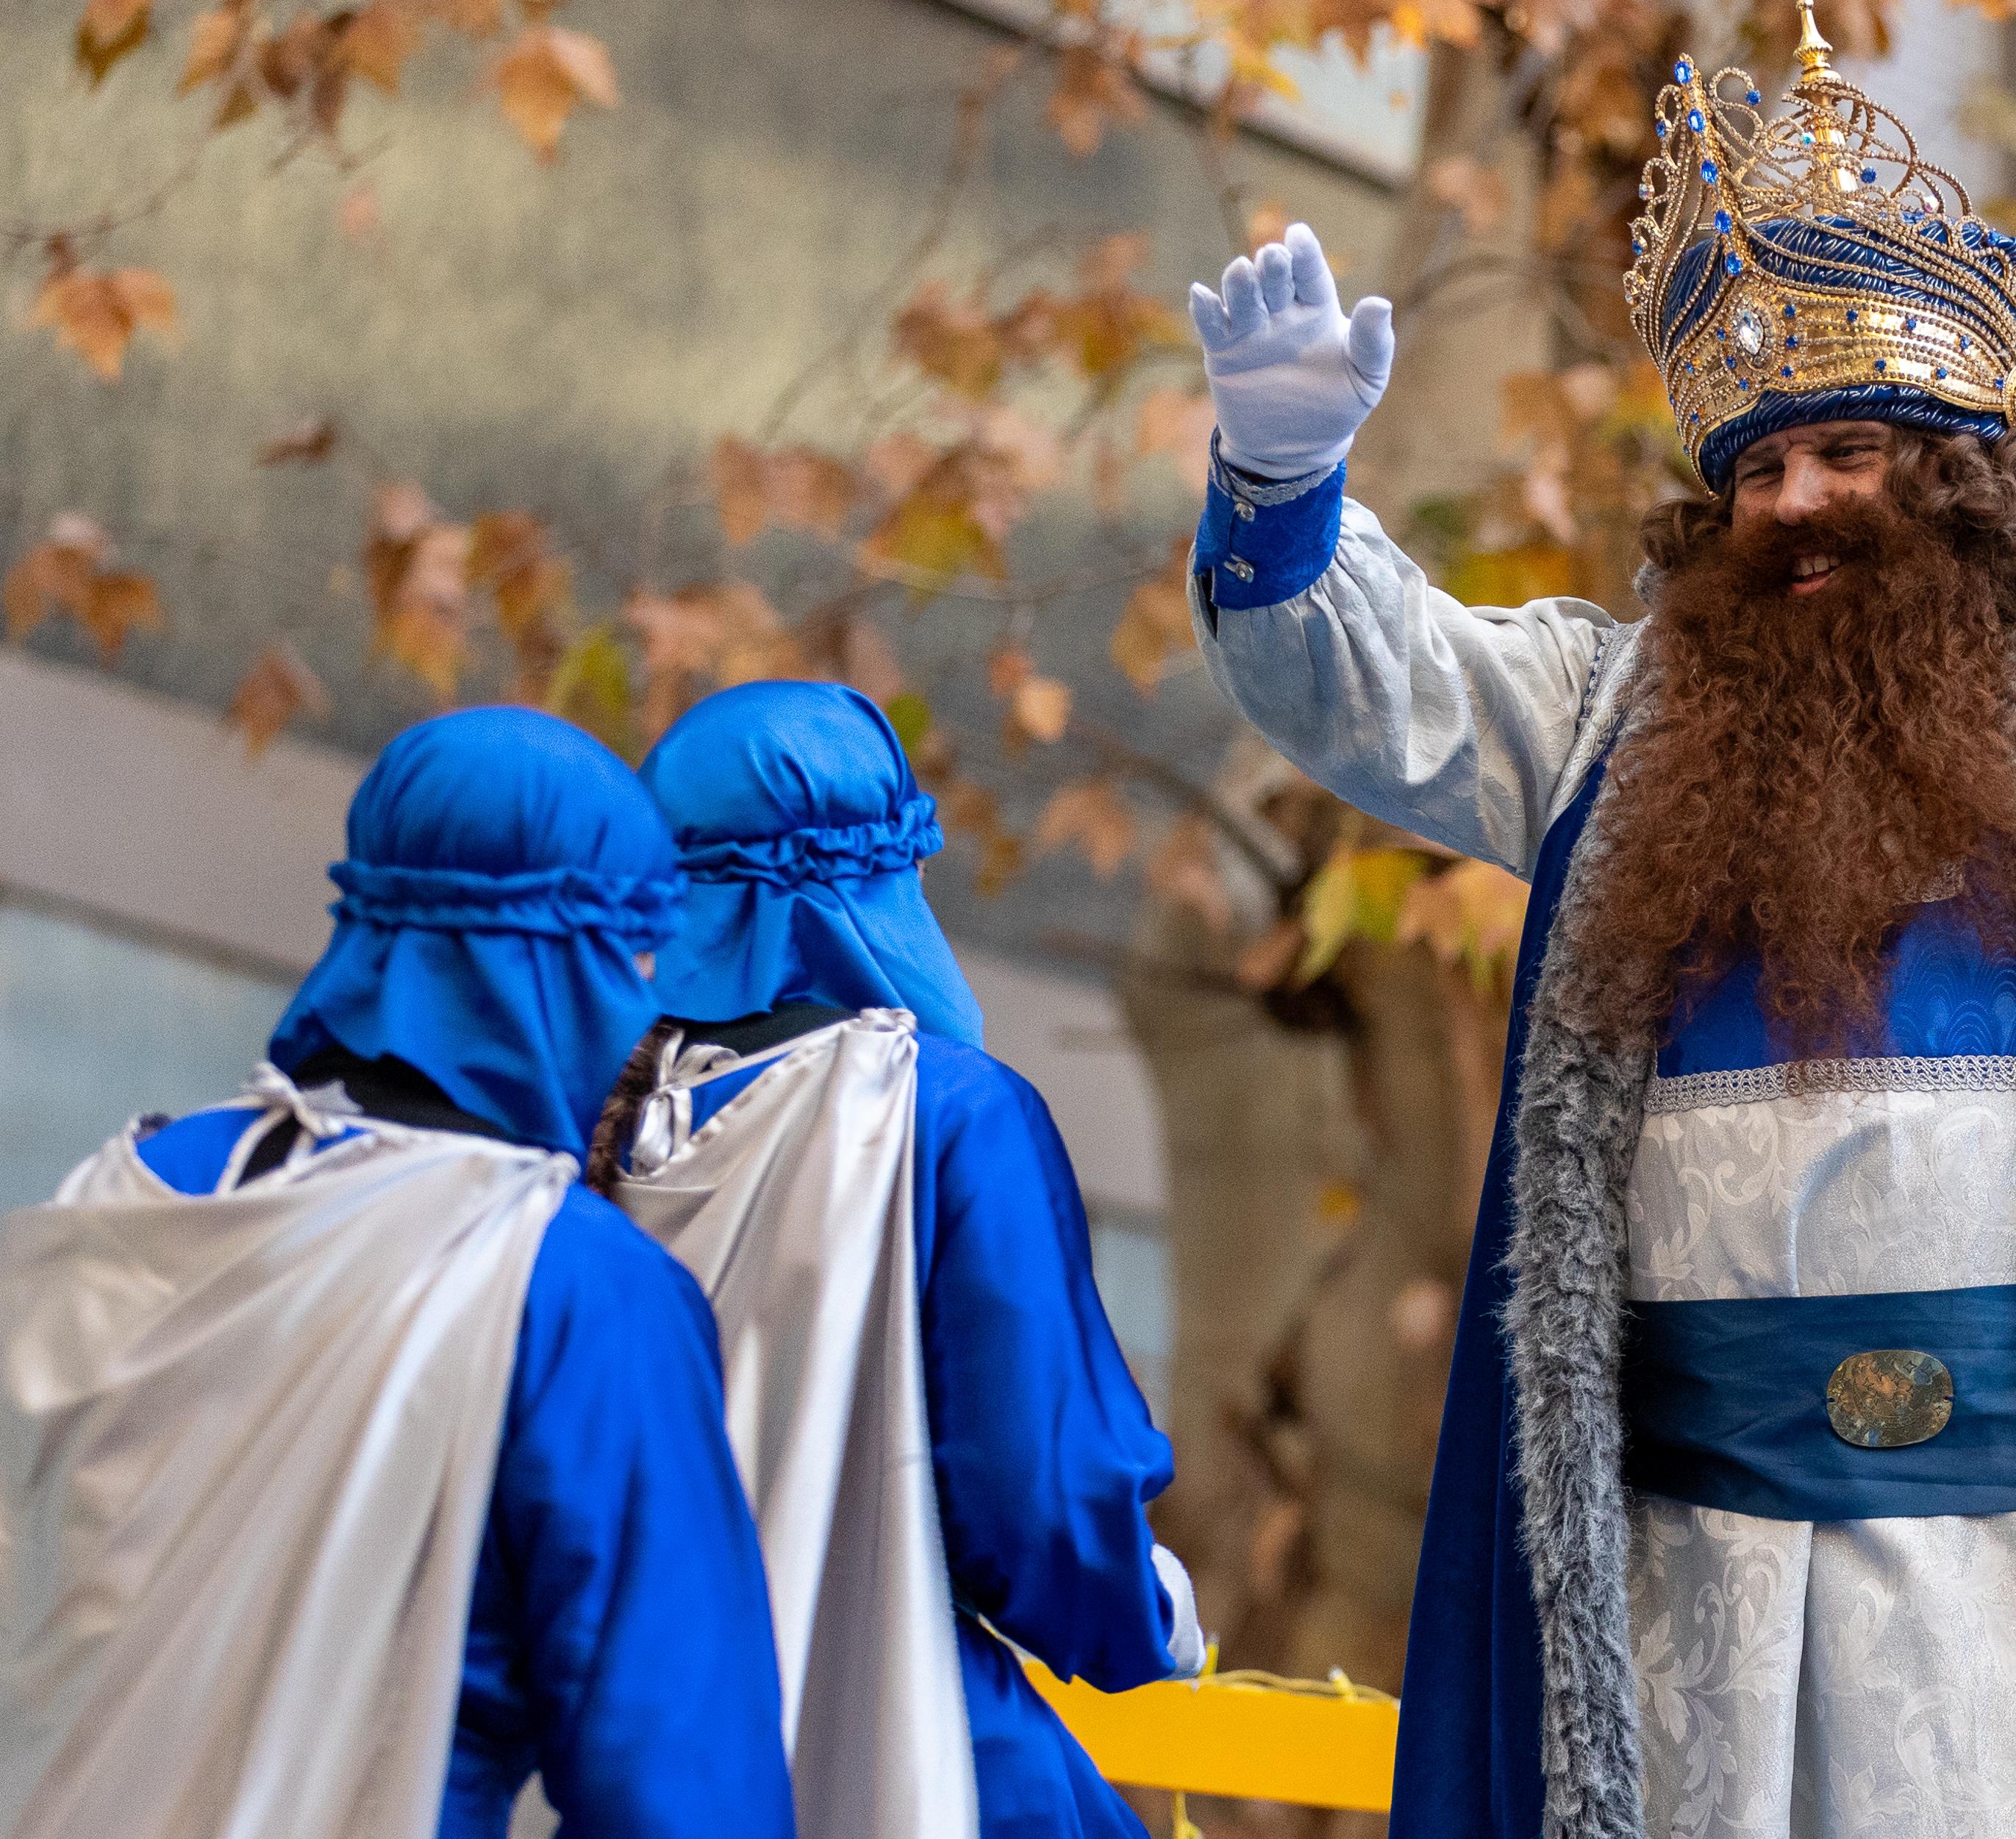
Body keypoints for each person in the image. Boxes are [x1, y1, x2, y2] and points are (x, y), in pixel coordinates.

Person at [1182, 2, 2016, 1839]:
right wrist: (1279, 495)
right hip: (1687, 1585)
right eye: (1751, 472)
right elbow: (1379, 682)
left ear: (1960, 472)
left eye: (1838, 451)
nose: (1790, 504)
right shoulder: (1610, 715)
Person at [0, 707, 796, 1839]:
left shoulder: (133, 1186)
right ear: (573, 964)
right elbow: (676, 1777)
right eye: (639, 953)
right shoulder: (572, 1286)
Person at [598, 678, 1198, 1839]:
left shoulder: (588, 1114)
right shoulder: (949, 1114)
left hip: (630, 1765)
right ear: (874, 879)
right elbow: (1042, 1505)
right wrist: (1150, 1613)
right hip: (916, 1758)